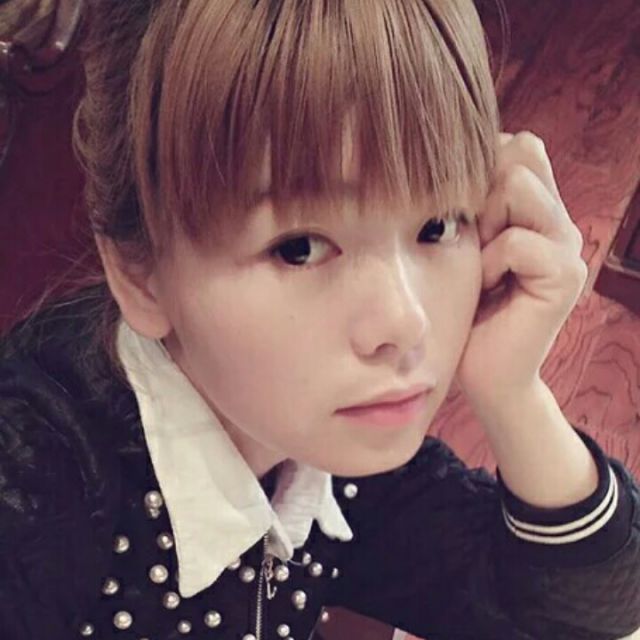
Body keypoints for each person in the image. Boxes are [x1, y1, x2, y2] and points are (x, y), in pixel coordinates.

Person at [1, 1, 639, 639]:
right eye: (299, 248)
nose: (406, 322)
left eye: (437, 225)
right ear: (140, 274)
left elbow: (582, 616)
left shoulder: (335, 458)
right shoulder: (35, 490)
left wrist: (512, 391)